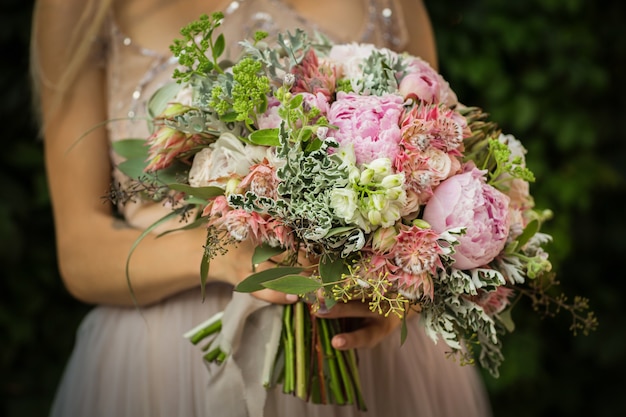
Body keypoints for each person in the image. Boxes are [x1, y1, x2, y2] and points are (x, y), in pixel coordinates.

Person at [31, 0, 493, 415]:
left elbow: (432, 160)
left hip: (370, 352)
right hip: (171, 366)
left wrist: (401, 298)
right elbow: (80, 253)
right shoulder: (77, 9)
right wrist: (226, 254)